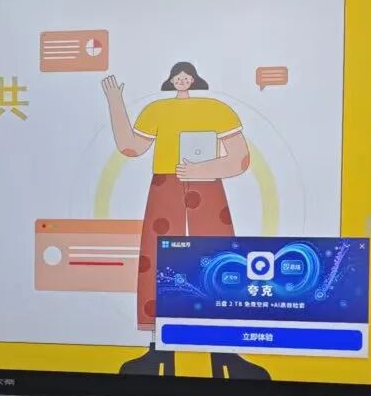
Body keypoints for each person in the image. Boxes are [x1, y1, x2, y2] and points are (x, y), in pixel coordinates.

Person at [100, 61, 269, 379]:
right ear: (171, 80)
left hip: (208, 188)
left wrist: (202, 169)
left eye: (186, 75)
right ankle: (159, 351)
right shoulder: (156, 110)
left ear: (194, 79)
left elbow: (240, 158)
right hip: (166, 186)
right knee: (160, 263)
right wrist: (115, 103)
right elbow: (131, 147)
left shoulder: (216, 109)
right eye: (177, 76)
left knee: (218, 262)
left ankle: (225, 353)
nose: (182, 80)